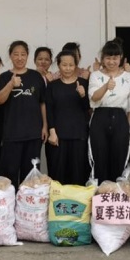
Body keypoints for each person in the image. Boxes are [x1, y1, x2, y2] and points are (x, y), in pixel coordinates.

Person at [0, 40, 48, 187]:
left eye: (23, 54)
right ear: (10, 56)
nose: (19, 58)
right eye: (16, 54)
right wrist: (11, 84)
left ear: (27, 56)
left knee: (31, 175)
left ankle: (28, 201)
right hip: (12, 134)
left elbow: (42, 103)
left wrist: (45, 126)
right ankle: (10, 200)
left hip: (33, 133)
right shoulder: (4, 77)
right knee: (9, 173)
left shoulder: (36, 76)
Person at [88, 39, 130, 182]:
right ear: (102, 58)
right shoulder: (95, 75)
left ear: (121, 58)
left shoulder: (129, 77)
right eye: (108, 58)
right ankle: (101, 190)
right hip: (100, 117)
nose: (111, 62)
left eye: (115, 58)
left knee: (119, 156)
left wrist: (126, 125)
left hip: (120, 118)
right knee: (99, 156)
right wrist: (106, 86)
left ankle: (116, 190)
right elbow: (93, 98)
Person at [46, 50, 91, 185]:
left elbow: (88, 108)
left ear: (76, 65)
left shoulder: (83, 83)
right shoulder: (52, 85)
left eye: (71, 65)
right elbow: (49, 110)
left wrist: (83, 95)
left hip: (79, 135)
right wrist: (52, 131)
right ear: (58, 65)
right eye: (64, 65)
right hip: (58, 136)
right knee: (58, 173)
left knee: (78, 173)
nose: (68, 68)